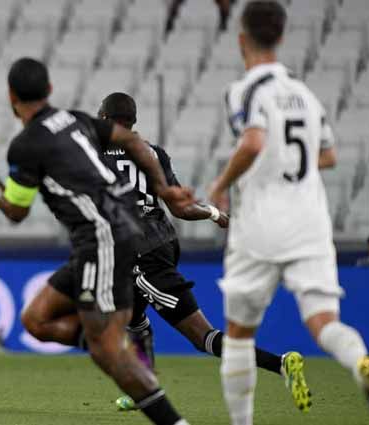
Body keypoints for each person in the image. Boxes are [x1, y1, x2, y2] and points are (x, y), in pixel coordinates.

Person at [0, 57, 195, 425]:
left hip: (106, 238)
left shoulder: (25, 147)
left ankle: (163, 408)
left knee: (107, 352)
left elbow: (14, 211)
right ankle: (122, 348)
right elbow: (132, 140)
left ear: (10, 96)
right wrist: (164, 187)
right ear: (49, 90)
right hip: (105, 237)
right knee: (36, 320)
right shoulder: (76, 119)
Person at [208, 2, 369, 424]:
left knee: (238, 335)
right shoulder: (306, 96)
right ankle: (361, 363)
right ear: (281, 38)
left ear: (242, 40)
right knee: (323, 322)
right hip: (310, 221)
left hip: (260, 224)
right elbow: (327, 156)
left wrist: (220, 185)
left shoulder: (244, 90)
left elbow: (254, 142)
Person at [97, 92, 309, 412]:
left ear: (104, 119)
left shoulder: (95, 153)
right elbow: (180, 209)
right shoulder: (153, 153)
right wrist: (214, 213)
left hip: (140, 254)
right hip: (164, 243)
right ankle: (144, 385)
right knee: (133, 313)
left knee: (203, 337)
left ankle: (281, 364)